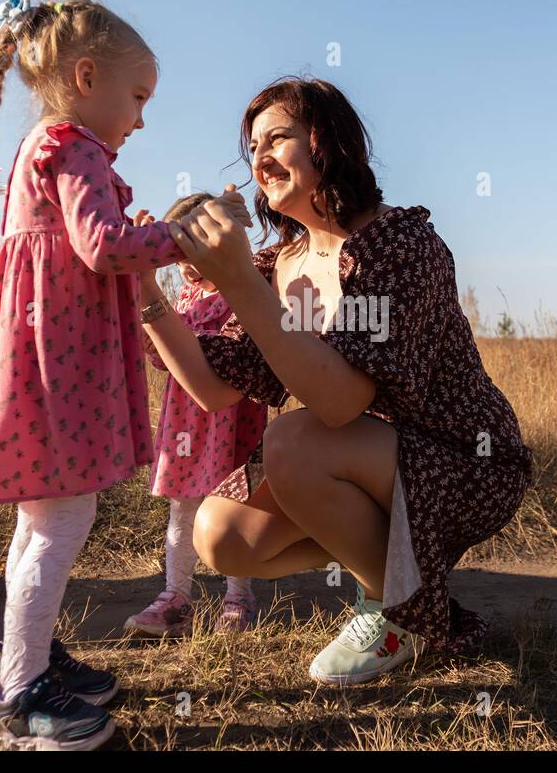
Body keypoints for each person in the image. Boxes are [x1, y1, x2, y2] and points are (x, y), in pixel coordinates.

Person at [140, 76, 534, 687]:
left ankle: (397, 609)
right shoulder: (277, 268)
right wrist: (145, 293)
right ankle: (399, 578)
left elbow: (343, 400)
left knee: (293, 439)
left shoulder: (399, 242)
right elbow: (211, 388)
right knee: (221, 535)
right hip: (353, 460)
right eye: (253, 147)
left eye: (278, 138)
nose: (260, 159)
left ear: (328, 141)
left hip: (461, 458)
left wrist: (239, 281)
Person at [0, 0, 249, 749]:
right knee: (65, 517)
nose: (141, 118)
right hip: (58, 367)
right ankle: (19, 696)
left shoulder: (46, 147)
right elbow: (104, 246)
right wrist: (184, 236)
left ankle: (29, 660)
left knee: (42, 519)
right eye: (138, 97)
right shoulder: (73, 145)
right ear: (86, 76)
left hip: (37, 356)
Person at [124, 194, 270, 637]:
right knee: (183, 508)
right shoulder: (184, 295)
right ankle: (176, 597)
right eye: (175, 254)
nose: (185, 265)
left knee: (234, 502)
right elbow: (165, 358)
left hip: (231, 418)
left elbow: (237, 353)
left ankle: (238, 596)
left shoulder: (242, 289)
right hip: (185, 420)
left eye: (193, 250)